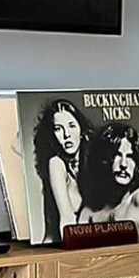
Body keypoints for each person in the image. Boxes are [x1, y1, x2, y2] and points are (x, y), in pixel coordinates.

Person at [92, 122, 139, 232]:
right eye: (117, 155)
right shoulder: (94, 210)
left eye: (130, 157)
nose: (123, 164)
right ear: (105, 159)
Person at [30, 99, 86, 237]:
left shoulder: (90, 165)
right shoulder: (56, 164)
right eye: (58, 129)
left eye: (71, 125)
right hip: (57, 249)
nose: (66, 134)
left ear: (81, 130)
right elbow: (67, 220)